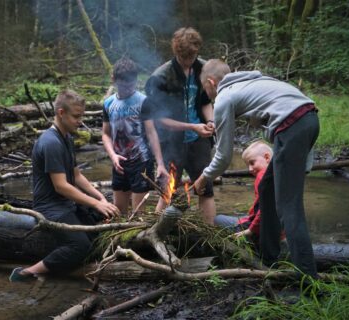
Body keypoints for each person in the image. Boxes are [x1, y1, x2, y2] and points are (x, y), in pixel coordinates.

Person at [194, 59, 319, 278]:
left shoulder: (224, 97)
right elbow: (305, 110)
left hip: (291, 127)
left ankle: (309, 280)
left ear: (212, 82)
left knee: (290, 209)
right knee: (267, 189)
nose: (208, 96)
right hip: (308, 119)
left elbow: (223, 157)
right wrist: (305, 166)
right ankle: (269, 259)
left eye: (206, 89)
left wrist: (204, 178)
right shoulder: (255, 82)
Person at [9, 89, 120, 282]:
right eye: (76, 116)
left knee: (104, 217)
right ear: (61, 113)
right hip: (51, 208)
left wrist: (100, 198)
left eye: (82, 116)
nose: (80, 121)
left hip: (67, 204)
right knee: (81, 246)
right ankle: (26, 272)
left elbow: (76, 176)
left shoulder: (67, 137)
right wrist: (95, 204)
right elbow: (61, 186)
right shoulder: (50, 142)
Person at [145, 27, 216, 224]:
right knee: (168, 190)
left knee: (205, 188)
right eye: (185, 57)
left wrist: (210, 121)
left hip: (199, 140)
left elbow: (204, 102)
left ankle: (209, 236)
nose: (189, 61)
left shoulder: (203, 68)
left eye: (193, 56)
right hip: (171, 140)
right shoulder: (161, 77)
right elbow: (159, 119)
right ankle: (154, 232)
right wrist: (192, 127)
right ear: (176, 52)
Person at [102, 57, 168, 216]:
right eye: (123, 86)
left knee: (139, 212)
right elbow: (105, 134)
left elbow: (152, 133)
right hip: (119, 162)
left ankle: (141, 236)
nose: (127, 89)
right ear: (114, 80)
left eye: (131, 85)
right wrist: (113, 156)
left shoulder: (143, 102)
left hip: (141, 161)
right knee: (119, 212)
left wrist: (160, 164)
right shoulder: (108, 103)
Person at [214, 140, 272, 242]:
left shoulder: (262, 177)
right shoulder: (278, 173)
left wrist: (250, 230)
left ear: (267, 157)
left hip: (259, 229)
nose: (249, 169)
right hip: (277, 229)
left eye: (252, 163)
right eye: (247, 165)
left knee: (218, 219)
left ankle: (251, 243)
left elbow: (265, 209)